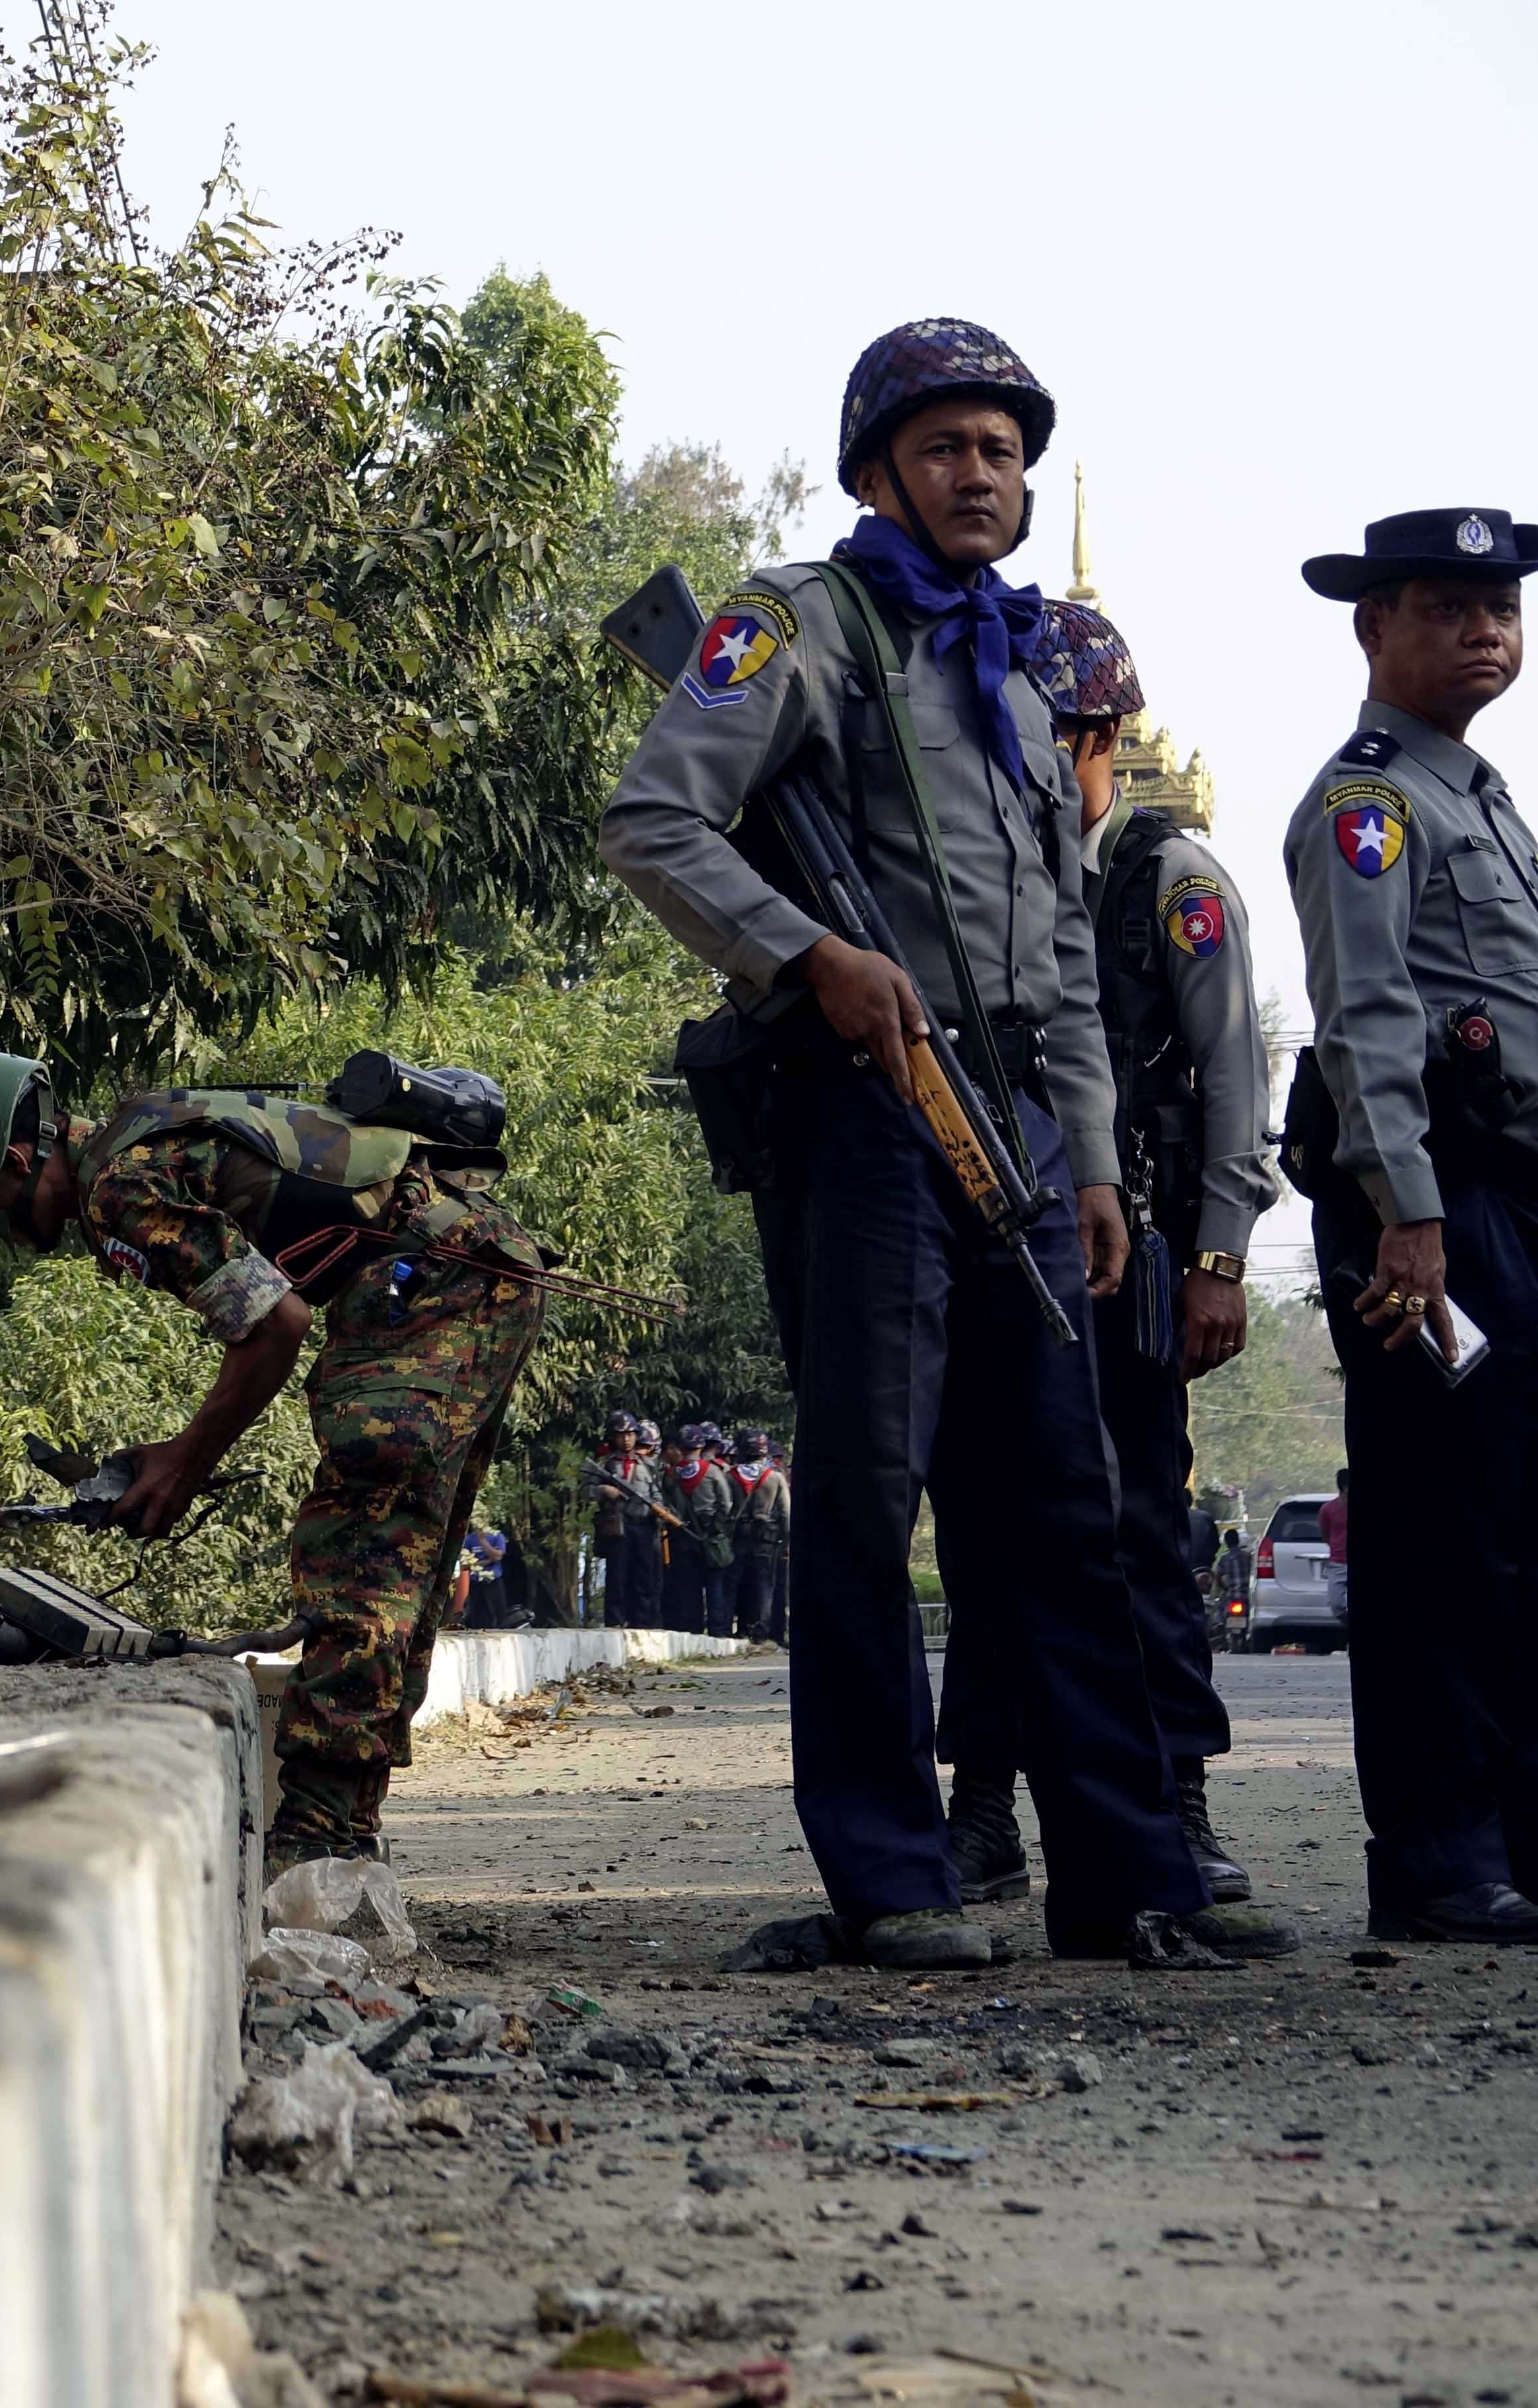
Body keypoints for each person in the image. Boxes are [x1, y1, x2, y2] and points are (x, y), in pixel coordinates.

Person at [597, 316, 1275, 1968]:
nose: (981, 473)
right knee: (860, 1494)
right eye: (947, 446)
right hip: (866, 1102)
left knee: (1062, 1501)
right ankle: (892, 1878)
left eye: (1001, 448)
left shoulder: (1026, 671)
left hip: (1020, 1135)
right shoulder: (796, 626)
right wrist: (802, 956)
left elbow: (1051, 957)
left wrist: (1099, 1169)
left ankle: (1126, 1880)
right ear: (876, 470)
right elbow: (651, 818)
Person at [0, 1054, 545, 1864]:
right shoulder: (138, 1138)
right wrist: (174, 1455)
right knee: (402, 1561)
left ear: (16, 1163)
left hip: (433, 1282)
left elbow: (277, 1326)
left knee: (362, 1549)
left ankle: (314, 1844)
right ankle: (344, 1834)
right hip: (467, 1271)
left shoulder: (117, 1188)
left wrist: (185, 1463)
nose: (4, 1231)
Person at [939, 597, 1275, 1908]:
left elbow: (1236, 1079)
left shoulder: (1170, 882)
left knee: (1136, 1532)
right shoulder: (996, 884)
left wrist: (1223, 1258)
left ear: (1095, 739)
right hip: (1004, 1244)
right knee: (982, 1529)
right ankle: (982, 1809)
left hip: (1133, 1259)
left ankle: (1175, 1802)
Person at [1282, 508, 1538, 1943]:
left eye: (1498, 605)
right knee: (1443, 1528)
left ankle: (1516, 1837)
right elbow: (1368, 1025)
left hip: (1511, 1200)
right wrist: (1409, 1219)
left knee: (1521, 1530)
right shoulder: (1367, 804)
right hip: (1428, 1215)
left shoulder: (1486, 798)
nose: (1484, 630)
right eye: (1445, 606)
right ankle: (1441, 1857)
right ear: (1374, 629)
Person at [665, 1422, 737, 1636]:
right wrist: (717, 1526)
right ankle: (718, 1631)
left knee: (690, 1586)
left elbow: (666, 1503)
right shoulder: (714, 1472)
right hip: (711, 1534)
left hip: (683, 1535)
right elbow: (726, 1504)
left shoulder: (672, 1475)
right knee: (715, 1585)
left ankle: (694, 1629)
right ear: (702, 1445)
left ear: (680, 1447)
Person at [590, 1412, 660, 1630]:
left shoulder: (648, 1465)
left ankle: (641, 1622)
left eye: (631, 1434)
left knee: (643, 1576)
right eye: (621, 1435)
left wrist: (661, 1510)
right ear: (613, 1437)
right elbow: (586, 1491)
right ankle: (615, 1621)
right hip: (617, 1524)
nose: (627, 1439)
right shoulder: (604, 1464)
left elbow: (656, 1491)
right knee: (617, 1576)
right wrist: (604, 1490)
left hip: (644, 1525)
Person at [726, 1426, 791, 1644]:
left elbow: (725, 1509)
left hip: (738, 1536)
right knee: (764, 1584)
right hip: (767, 1538)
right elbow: (785, 1513)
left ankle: (734, 1627)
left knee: (736, 1582)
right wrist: (787, 1542)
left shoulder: (731, 1475)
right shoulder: (774, 1477)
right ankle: (761, 1631)